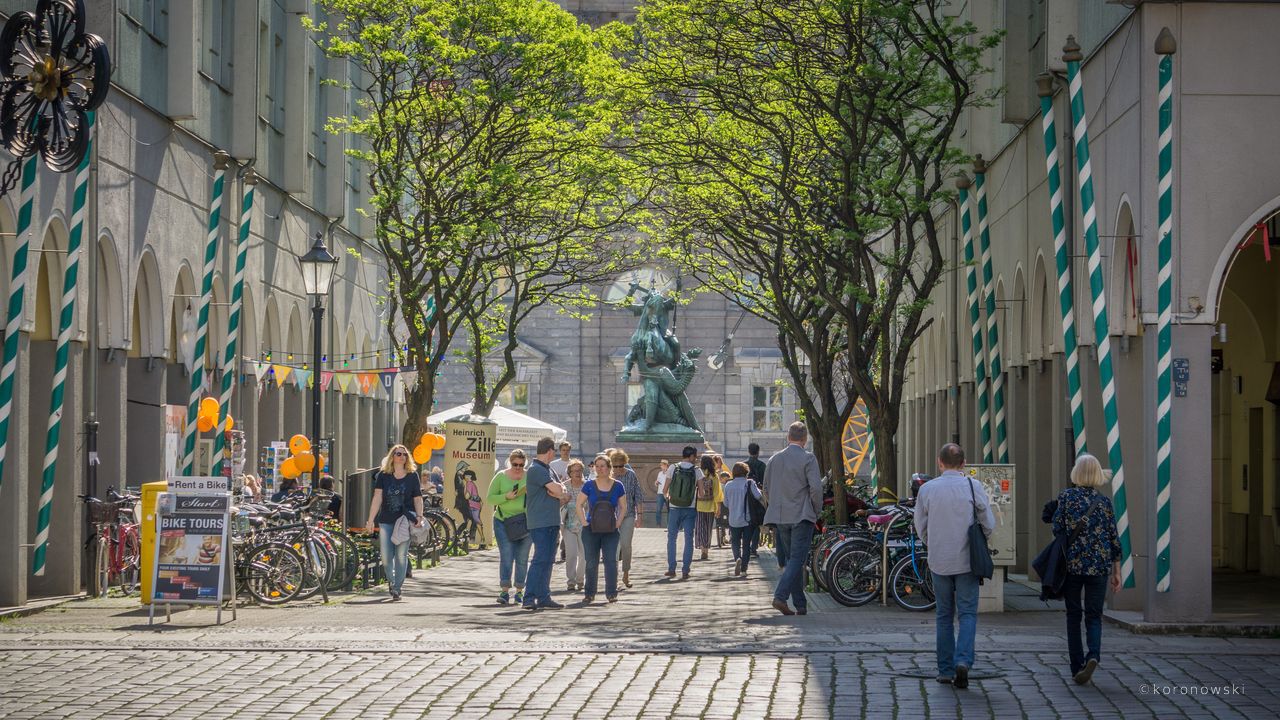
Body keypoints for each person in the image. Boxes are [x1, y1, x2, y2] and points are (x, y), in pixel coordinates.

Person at [914, 443, 995, 689]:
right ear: (964, 463)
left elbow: (920, 525)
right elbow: (988, 522)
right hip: (967, 561)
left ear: (940, 462)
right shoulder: (973, 486)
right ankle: (963, 660)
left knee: (943, 615)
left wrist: (932, 543)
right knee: (968, 613)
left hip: (939, 560)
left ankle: (945, 670)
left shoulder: (927, 489)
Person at [1052, 453, 1122, 686]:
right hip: (1099, 567)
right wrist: (1117, 571)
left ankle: (1076, 666)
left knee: (1073, 616)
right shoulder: (1104, 503)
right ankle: (1093, 655)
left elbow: (1057, 528)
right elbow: (1113, 538)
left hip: (1072, 566)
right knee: (1094, 615)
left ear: (1076, 473)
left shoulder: (1066, 497)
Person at [762, 422, 822, 617]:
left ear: (788, 437)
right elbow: (815, 488)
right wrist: (816, 510)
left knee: (792, 560)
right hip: (801, 514)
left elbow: (766, 489)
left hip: (780, 517)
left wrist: (775, 505)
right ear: (805, 439)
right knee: (797, 558)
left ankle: (801, 605)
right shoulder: (808, 458)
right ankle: (780, 596)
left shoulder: (774, 459)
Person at [365, 445, 424, 601]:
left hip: (404, 520)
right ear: (392, 456)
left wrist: (419, 516)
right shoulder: (383, 476)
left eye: (405, 454)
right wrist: (370, 519)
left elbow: (417, 498)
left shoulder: (412, 476)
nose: (402, 457)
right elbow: (377, 497)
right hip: (386, 520)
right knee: (386, 557)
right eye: (399, 454)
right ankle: (391, 582)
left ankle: (397, 588)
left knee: (400, 555)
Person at [577, 451, 628, 603]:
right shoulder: (589, 485)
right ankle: (589, 593)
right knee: (591, 562)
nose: (599, 469)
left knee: (611, 561)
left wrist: (618, 522)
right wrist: (584, 522)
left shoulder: (618, 485)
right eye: (597, 466)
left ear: (609, 467)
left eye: (603, 466)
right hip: (590, 530)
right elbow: (579, 505)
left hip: (611, 531)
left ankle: (611, 593)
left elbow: (623, 507)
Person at [523, 436, 567, 610]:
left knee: (548, 560)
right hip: (540, 522)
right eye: (554, 451)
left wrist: (559, 492)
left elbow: (562, 491)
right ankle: (528, 597)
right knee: (540, 559)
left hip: (551, 520)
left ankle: (543, 596)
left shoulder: (548, 470)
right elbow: (559, 489)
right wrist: (558, 491)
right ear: (550, 451)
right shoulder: (536, 469)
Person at [487, 449, 531, 606]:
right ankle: (504, 591)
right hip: (503, 521)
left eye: (521, 464)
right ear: (509, 462)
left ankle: (520, 591)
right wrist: (506, 496)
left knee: (522, 558)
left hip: (525, 522)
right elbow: (490, 498)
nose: (518, 467)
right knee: (507, 556)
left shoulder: (529, 476)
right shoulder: (501, 476)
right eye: (515, 464)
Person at [664, 446, 700, 579]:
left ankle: (671, 569)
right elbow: (701, 493)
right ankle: (685, 570)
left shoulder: (673, 468)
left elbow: (665, 489)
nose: (695, 459)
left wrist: (670, 498)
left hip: (674, 508)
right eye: (695, 457)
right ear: (691, 456)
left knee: (671, 538)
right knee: (688, 539)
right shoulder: (697, 471)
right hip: (690, 509)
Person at [723, 462, 762, 577]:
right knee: (746, 544)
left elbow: (726, 503)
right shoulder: (749, 483)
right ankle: (744, 569)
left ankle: (737, 558)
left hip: (733, 520)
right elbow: (759, 496)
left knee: (735, 542)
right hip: (747, 519)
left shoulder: (728, 485)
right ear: (746, 472)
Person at [615, 449, 643, 589]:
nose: (619, 469)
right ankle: (613, 577)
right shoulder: (607, 477)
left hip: (628, 515)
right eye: (615, 466)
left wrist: (640, 516)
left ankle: (626, 574)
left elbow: (637, 495)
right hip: (611, 516)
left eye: (621, 465)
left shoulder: (631, 475)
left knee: (626, 545)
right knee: (613, 547)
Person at [561, 458, 587, 592]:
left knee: (584, 555)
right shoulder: (564, 486)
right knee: (571, 553)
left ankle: (580, 580)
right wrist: (564, 500)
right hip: (568, 525)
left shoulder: (587, 486)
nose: (577, 473)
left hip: (584, 525)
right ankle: (571, 581)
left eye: (580, 470)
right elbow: (558, 503)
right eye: (574, 471)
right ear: (569, 473)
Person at [694, 454, 723, 560]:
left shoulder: (698, 474)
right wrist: (718, 507)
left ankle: (702, 549)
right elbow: (717, 493)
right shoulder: (714, 476)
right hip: (710, 506)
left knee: (700, 528)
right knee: (708, 529)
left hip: (699, 506)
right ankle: (706, 549)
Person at [745, 443, 766, 558]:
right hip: (758, 497)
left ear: (749, 451)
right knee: (757, 523)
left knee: (747, 523)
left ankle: (746, 547)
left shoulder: (743, 465)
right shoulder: (762, 465)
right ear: (758, 452)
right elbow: (766, 483)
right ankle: (754, 548)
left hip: (745, 498)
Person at [654, 459, 671, 524]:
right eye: (660, 465)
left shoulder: (669, 473)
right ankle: (658, 524)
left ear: (666, 465)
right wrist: (656, 483)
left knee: (669, 510)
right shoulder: (660, 473)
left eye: (662, 465)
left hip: (667, 493)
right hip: (660, 493)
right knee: (658, 509)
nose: (661, 466)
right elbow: (656, 483)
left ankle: (669, 525)